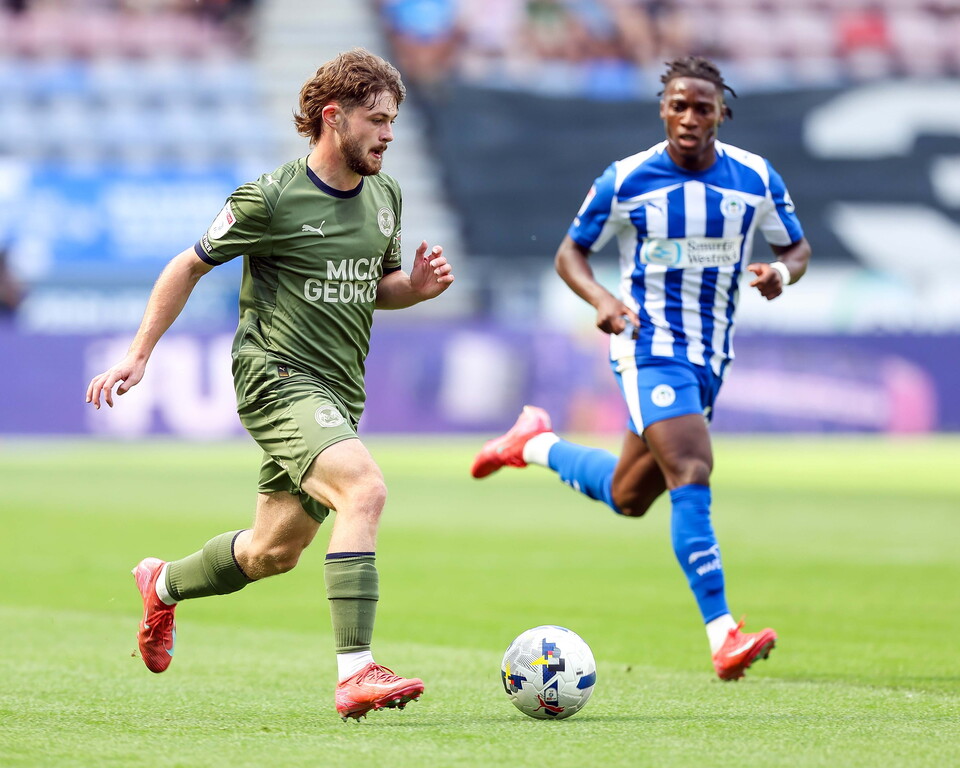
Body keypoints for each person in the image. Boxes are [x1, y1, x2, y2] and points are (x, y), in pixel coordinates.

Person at [86, 48, 454, 720]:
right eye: (377, 119)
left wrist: (415, 289)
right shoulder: (273, 197)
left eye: (394, 121)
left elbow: (372, 289)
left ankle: (162, 584)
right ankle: (356, 672)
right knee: (364, 489)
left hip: (339, 393)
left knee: (273, 551)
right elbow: (187, 265)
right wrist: (140, 354)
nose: (389, 134)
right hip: (277, 377)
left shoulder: (386, 196)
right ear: (332, 117)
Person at [471, 56, 810, 681]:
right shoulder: (627, 179)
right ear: (663, 109)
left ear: (721, 114)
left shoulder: (755, 179)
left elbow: (796, 245)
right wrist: (601, 300)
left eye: (701, 107)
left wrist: (781, 273)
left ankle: (534, 443)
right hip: (648, 345)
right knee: (691, 466)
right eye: (677, 105)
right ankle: (723, 634)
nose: (688, 116)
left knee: (630, 496)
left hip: (711, 357)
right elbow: (570, 253)